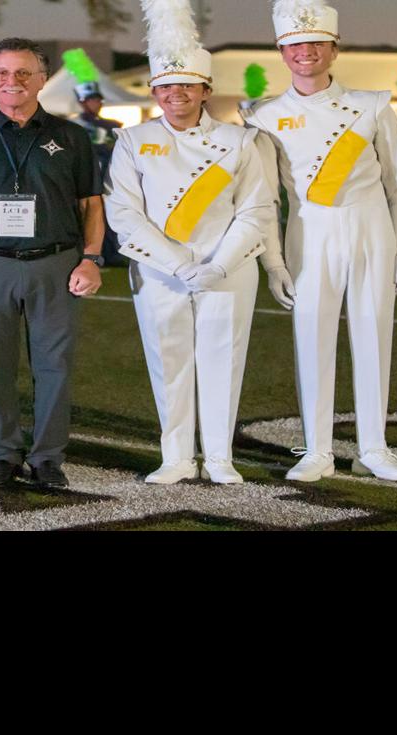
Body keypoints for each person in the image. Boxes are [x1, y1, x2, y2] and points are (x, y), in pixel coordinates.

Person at [243, 0, 397, 482]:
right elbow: (265, 200)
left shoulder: (374, 105)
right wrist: (274, 263)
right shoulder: (263, 115)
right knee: (312, 339)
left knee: (373, 333)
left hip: (371, 228)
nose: (306, 52)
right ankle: (316, 450)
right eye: (295, 45)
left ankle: (374, 448)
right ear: (282, 51)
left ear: (334, 49)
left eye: (316, 43)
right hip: (309, 229)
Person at [104, 0, 274, 485]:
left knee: (224, 360)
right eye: (167, 85)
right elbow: (123, 212)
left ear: (205, 89)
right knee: (169, 362)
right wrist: (179, 263)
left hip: (229, 270)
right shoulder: (133, 140)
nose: (176, 93)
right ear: (155, 90)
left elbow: (258, 209)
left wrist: (218, 265)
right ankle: (176, 456)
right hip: (160, 272)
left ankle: (220, 457)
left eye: (187, 85)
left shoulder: (239, 141)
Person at [0, 37, 105, 490]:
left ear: (42, 79)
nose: (12, 82)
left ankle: (48, 457)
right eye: (2, 74)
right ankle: (2, 455)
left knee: (54, 365)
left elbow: (92, 204)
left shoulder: (71, 136)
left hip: (56, 262)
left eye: (23, 73)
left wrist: (90, 259)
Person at [72, 80, 126, 267]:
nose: (96, 104)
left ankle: (111, 253)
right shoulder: (73, 126)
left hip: (107, 178)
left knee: (109, 215)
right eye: (91, 100)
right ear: (82, 102)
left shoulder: (112, 125)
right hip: (82, 178)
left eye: (97, 100)